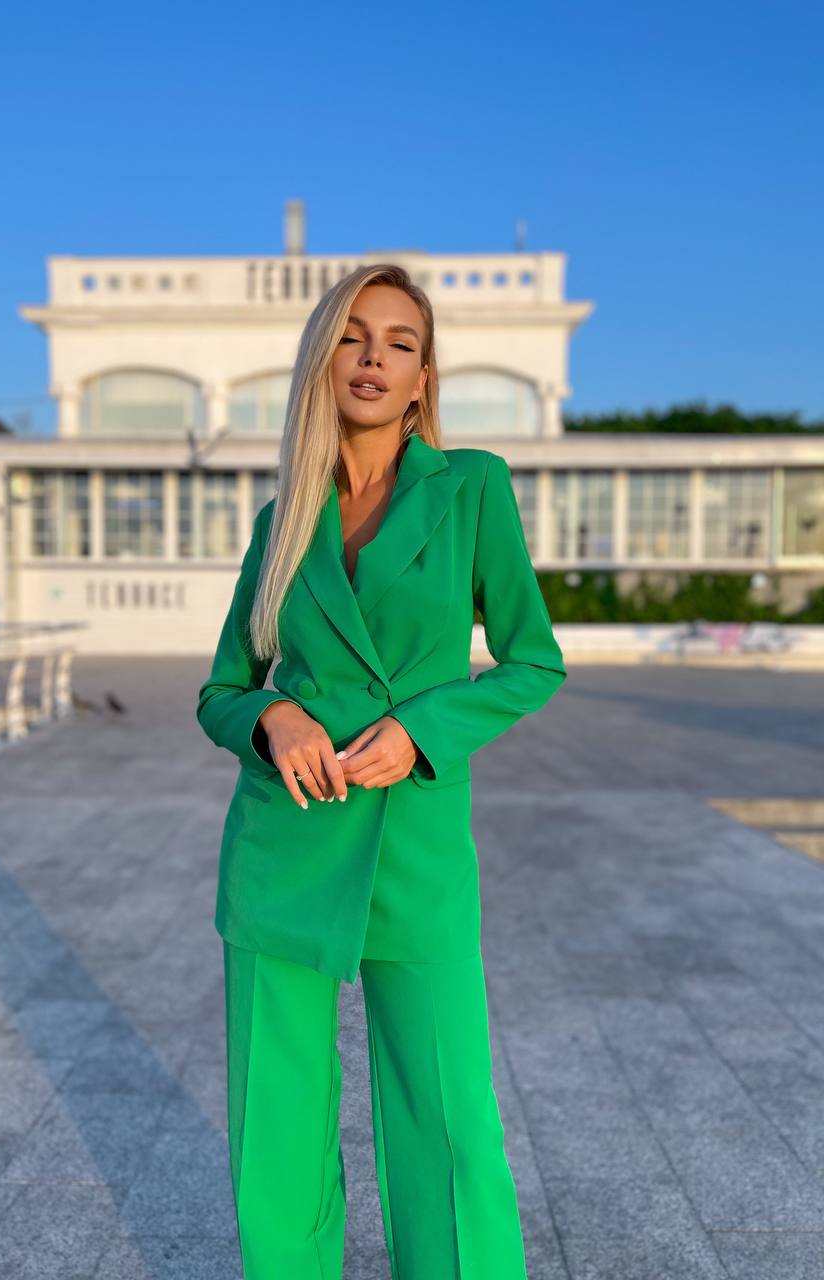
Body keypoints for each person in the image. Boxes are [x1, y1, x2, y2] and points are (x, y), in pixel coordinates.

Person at [196, 262, 567, 1279]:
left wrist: (422, 728)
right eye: (354, 335)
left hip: (416, 840)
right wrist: (271, 712)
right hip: (285, 845)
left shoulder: (472, 488)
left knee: (446, 1118)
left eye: (400, 342)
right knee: (276, 1128)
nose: (374, 356)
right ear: (324, 360)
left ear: (422, 379)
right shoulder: (282, 524)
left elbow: (535, 658)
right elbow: (222, 687)